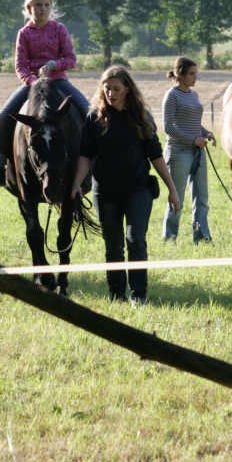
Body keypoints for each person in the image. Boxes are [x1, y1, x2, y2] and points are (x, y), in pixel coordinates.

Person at [71, 66, 179, 305]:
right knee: (113, 245)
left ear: (128, 89)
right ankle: (117, 295)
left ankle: (138, 294)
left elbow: (156, 155)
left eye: (116, 89)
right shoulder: (94, 117)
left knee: (135, 240)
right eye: (106, 89)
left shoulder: (141, 116)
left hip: (138, 188)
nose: (110, 93)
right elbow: (86, 154)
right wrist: (77, 184)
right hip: (105, 190)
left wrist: (172, 189)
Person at [0, 0, 90, 189]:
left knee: (88, 111)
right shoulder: (24, 33)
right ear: (29, 8)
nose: (43, 8)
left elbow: (71, 59)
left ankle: (96, 163)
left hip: (59, 81)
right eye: (38, 5)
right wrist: (34, 83)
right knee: (4, 115)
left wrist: (55, 65)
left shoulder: (59, 29)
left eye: (46, 4)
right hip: (32, 85)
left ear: (51, 7)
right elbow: (20, 65)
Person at [161, 57, 216, 243]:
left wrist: (206, 132)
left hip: (197, 152)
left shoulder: (193, 94)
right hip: (178, 153)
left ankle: (202, 237)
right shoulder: (171, 95)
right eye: (191, 74)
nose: (195, 77)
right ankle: (170, 239)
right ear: (179, 74)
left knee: (201, 198)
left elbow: (192, 123)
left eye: (196, 74)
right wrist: (194, 139)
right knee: (177, 198)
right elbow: (168, 127)